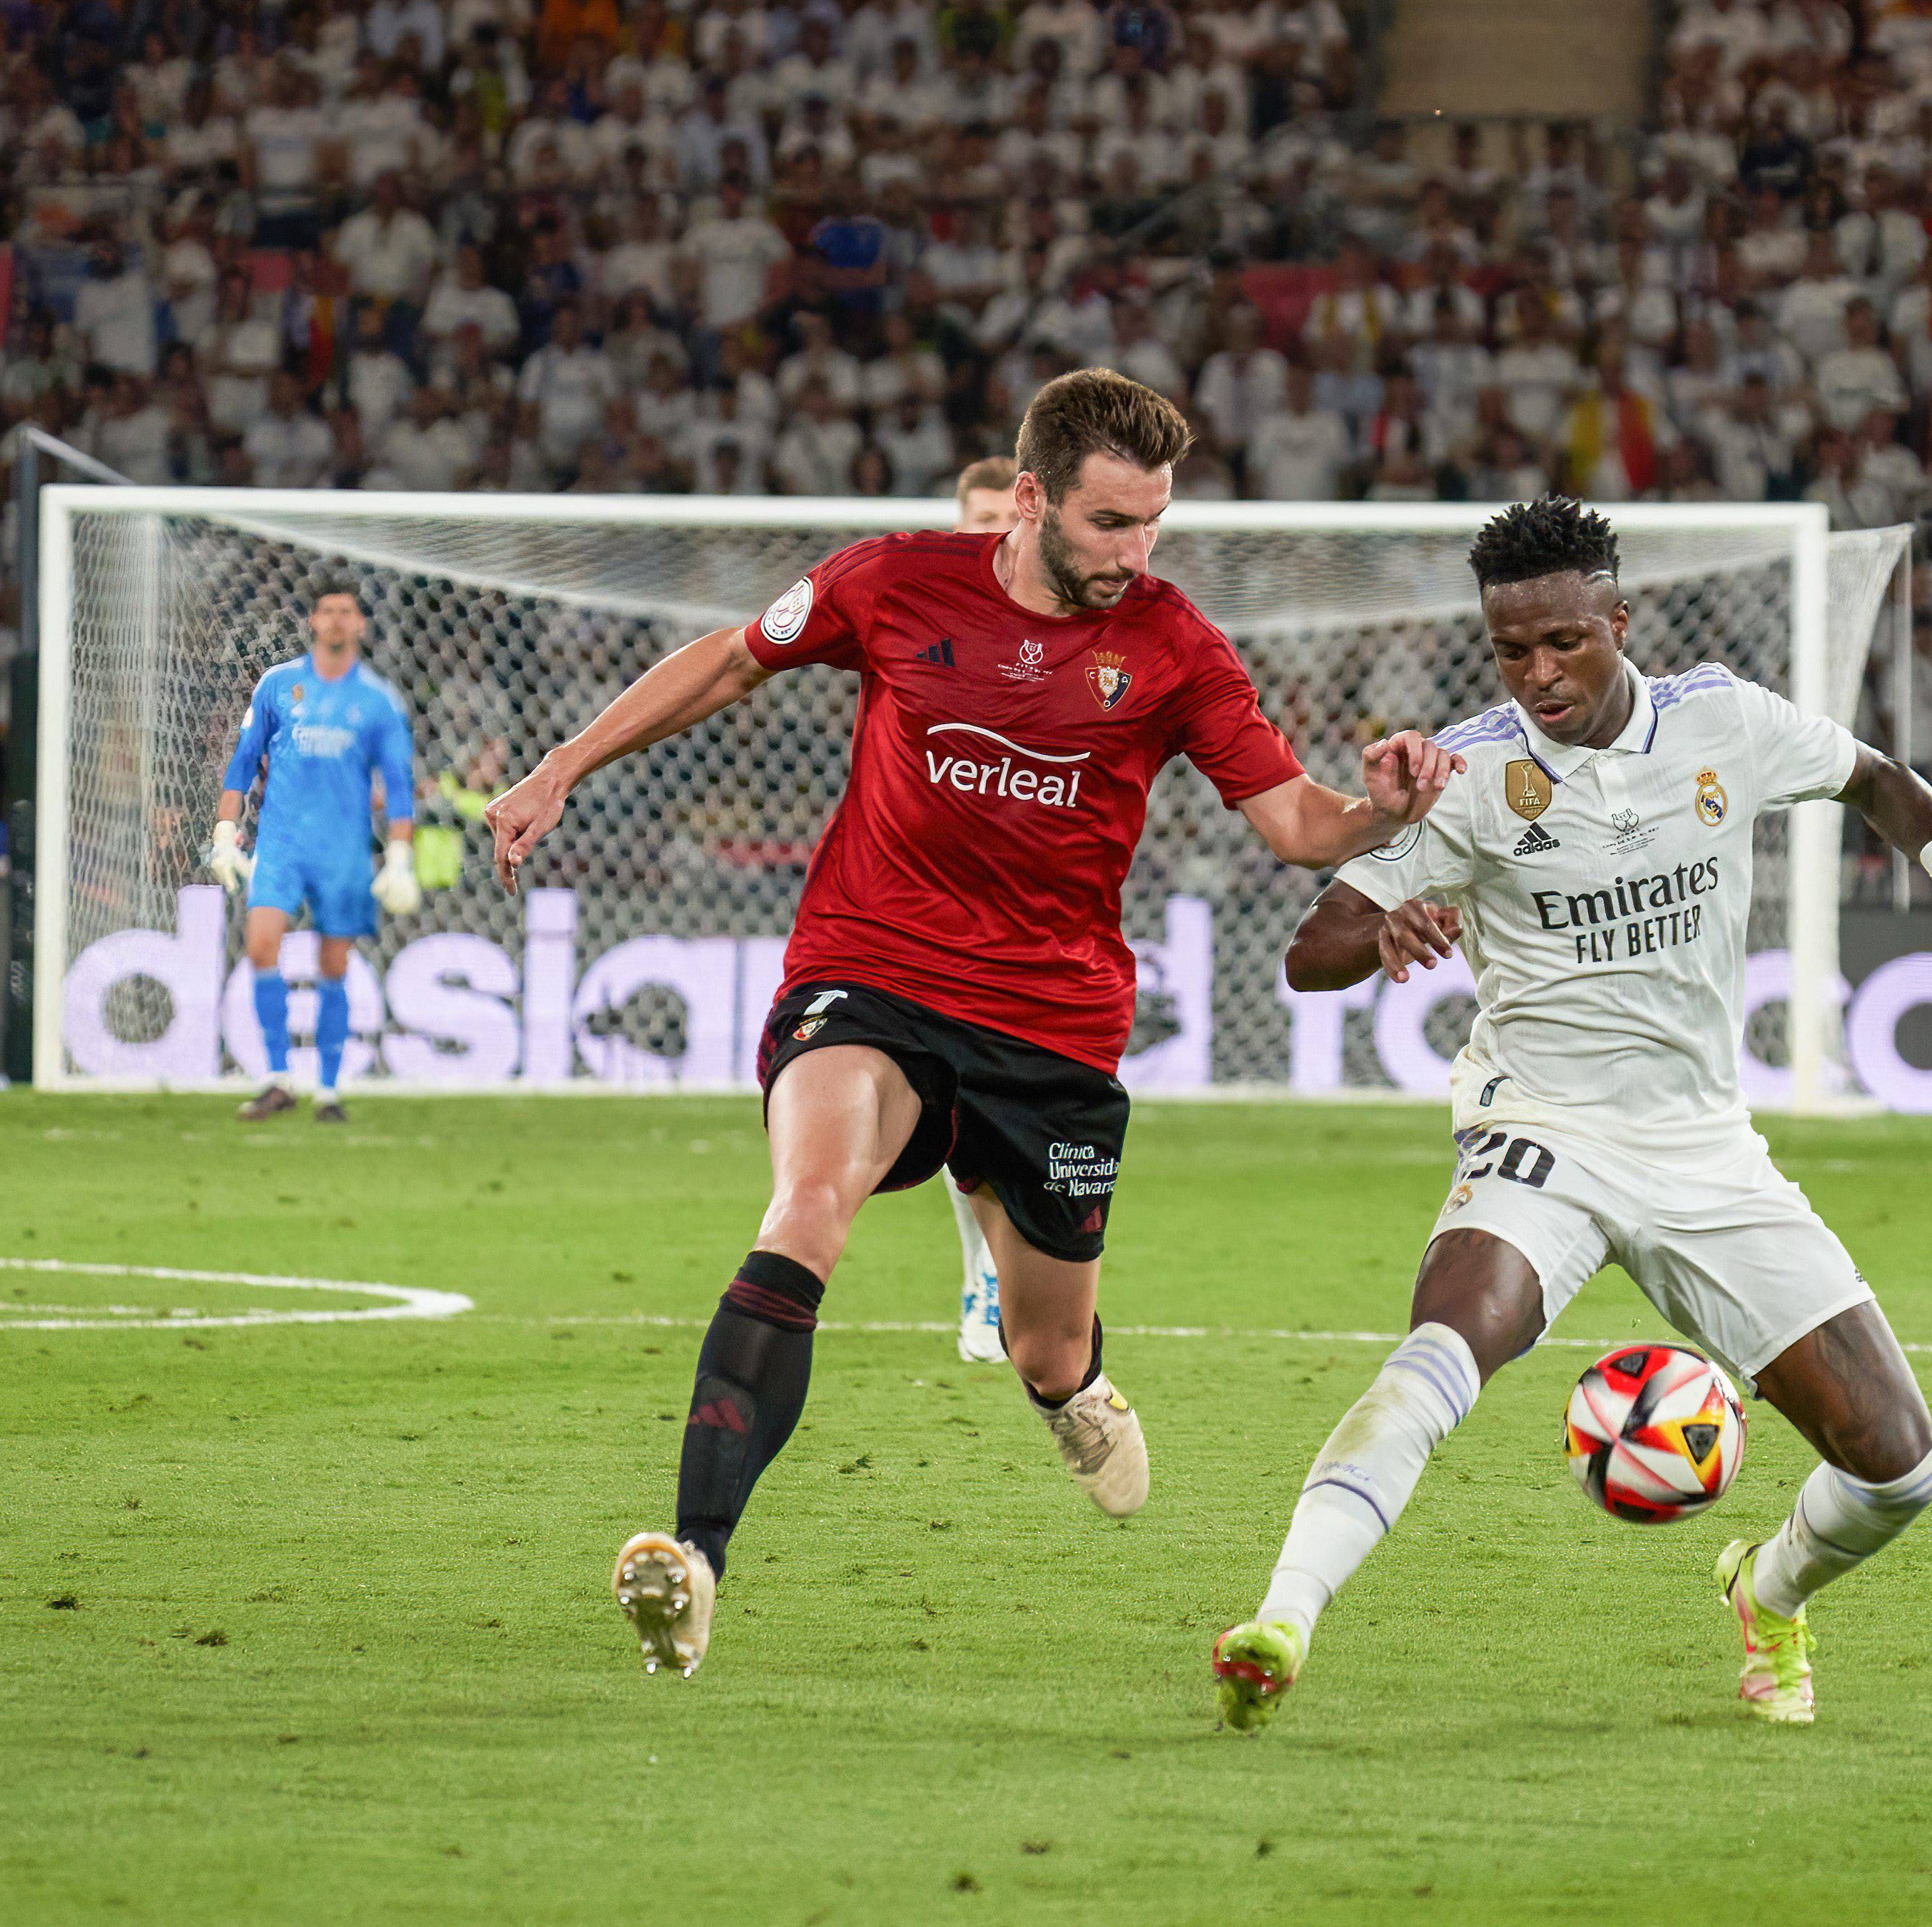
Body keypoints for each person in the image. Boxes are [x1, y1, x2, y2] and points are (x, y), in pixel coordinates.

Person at [484, 370, 1458, 1679]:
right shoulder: (892, 581)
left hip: (1053, 1023)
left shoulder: (1175, 645)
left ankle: (1069, 1390)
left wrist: (1381, 806)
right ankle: (696, 1557)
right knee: (806, 1208)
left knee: (1044, 1339)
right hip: (869, 971)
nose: (1137, 552)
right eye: (1113, 522)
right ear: (1034, 497)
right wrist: (560, 766)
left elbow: (1295, 822)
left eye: (1154, 522)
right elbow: (727, 660)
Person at [1209, 495, 1932, 1731]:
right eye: (1511, 650)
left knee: (1900, 1469)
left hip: (1706, 1146)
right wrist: (1383, 924)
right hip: (1541, 1130)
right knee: (1447, 1344)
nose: (1538, 673)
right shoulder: (1470, 772)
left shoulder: (1725, 719)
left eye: (1564, 642)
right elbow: (1309, 949)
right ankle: (1280, 1619)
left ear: (1618, 616)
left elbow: (1878, 778)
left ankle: (1767, 1591)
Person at [208, 586, 419, 1124]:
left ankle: (327, 1089)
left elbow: (397, 786)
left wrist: (398, 857)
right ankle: (278, 1078)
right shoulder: (279, 685)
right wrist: (225, 831)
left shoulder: (377, 700)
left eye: (346, 611)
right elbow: (244, 760)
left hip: (343, 851)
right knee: (260, 948)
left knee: (333, 964)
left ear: (361, 625)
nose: (336, 620)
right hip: (280, 844)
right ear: (313, 621)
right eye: (327, 610)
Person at [942, 452, 1021, 1363]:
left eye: (1008, 517)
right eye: (978, 520)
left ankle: (1003, 1266)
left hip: (1044, 908)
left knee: (1022, 1110)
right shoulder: (928, 617)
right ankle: (987, 1273)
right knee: (958, 1102)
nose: (995, 534)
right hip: (936, 903)